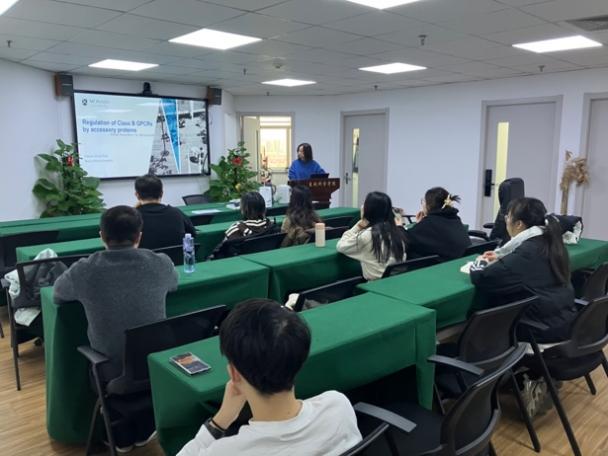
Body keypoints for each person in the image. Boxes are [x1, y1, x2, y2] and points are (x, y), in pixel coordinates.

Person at [54, 205, 178, 452]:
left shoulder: (85, 269)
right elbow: (174, 284)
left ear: (102, 235)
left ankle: (120, 433)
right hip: (158, 366)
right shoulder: (161, 263)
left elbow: (58, 294)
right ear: (139, 235)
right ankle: (143, 426)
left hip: (112, 374)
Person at [177, 299, 361, 456]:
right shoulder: (338, 406)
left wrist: (221, 420)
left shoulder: (227, 451)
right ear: (300, 359)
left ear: (234, 374)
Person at [469, 197, 576, 343]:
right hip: (563, 320)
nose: (506, 221)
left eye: (508, 217)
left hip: (540, 329)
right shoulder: (549, 240)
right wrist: (501, 256)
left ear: (519, 224)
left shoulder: (528, 251)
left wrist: (480, 262)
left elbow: (484, 277)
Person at [337, 191, 408, 280]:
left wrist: (358, 226)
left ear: (368, 210)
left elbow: (341, 246)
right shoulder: (397, 232)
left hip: (375, 284)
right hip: (396, 281)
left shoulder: (367, 236)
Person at [134, 174, 197, 250]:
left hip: (145, 257)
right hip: (175, 257)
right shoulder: (176, 213)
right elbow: (192, 234)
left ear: (137, 195)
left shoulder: (133, 217)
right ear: (162, 193)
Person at [407, 187, 471, 261]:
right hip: (461, 262)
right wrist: (421, 223)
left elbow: (406, 238)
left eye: (423, 201)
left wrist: (399, 225)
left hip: (443, 265)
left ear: (428, 205)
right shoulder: (455, 219)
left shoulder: (429, 223)